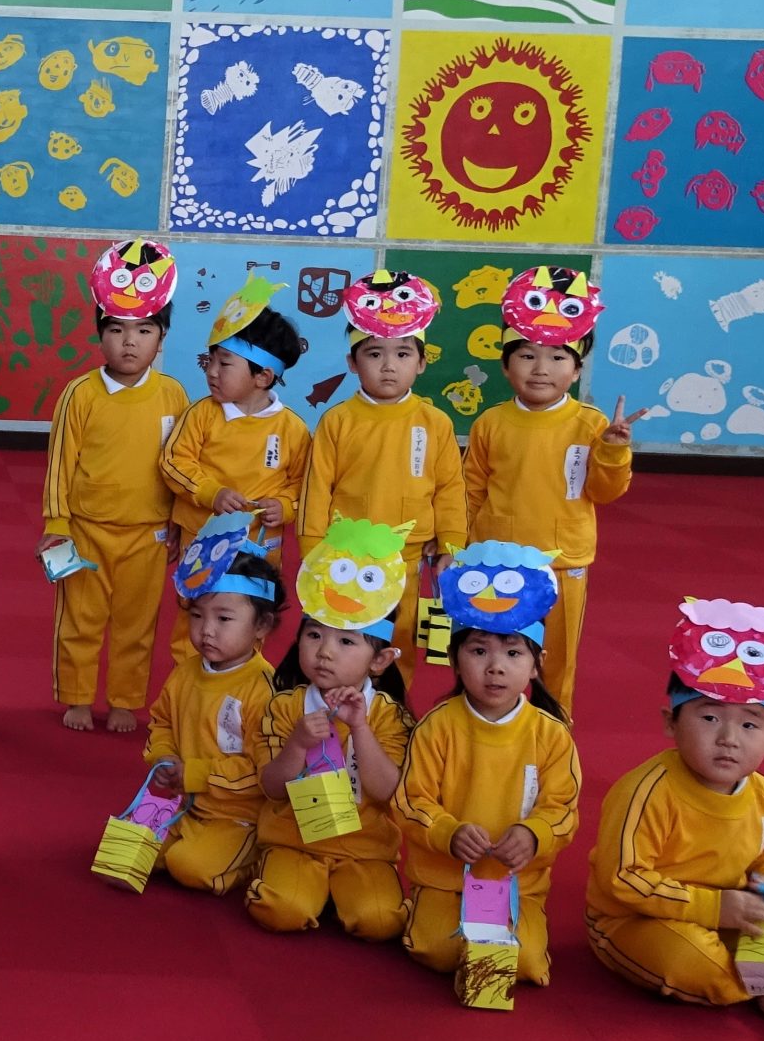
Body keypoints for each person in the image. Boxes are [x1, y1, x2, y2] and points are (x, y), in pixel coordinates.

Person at [587, 600, 764, 1041]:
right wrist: (714, 908)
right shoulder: (646, 791)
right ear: (671, 722)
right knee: (688, 962)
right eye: (709, 718)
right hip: (645, 918)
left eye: (750, 725)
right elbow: (623, 880)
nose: (728, 738)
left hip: (735, 908)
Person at [392, 542, 583, 994]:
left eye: (513, 654)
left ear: (536, 665)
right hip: (444, 879)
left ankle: (512, 934)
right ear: (455, 660)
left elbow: (564, 809)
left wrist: (535, 834)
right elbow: (410, 801)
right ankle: (423, 910)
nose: (495, 668)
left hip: (515, 883)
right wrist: (448, 832)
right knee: (435, 951)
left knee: (525, 964)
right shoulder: (437, 726)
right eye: (479, 651)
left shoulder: (552, 735)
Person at [461, 266, 633, 717]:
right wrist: (459, 550)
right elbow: (471, 491)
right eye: (527, 355)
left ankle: (554, 731)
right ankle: (483, 725)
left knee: (555, 661)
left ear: (576, 370)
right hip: (496, 559)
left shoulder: (591, 424)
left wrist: (613, 451)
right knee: (490, 652)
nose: (541, 369)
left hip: (563, 562)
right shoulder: (490, 423)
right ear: (505, 365)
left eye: (558, 357)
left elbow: (604, 492)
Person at [41, 240, 189, 732]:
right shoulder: (80, 394)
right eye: (117, 330)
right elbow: (60, 464)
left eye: (144, 330)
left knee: (136, 626)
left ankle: (125, 699)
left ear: (161, 338)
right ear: (100, 335)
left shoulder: (174, 395)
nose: (130, 342)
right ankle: (77, 697)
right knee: (80, 622)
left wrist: (178, 523)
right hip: (86, 532)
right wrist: (57, 524)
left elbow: (179, 465)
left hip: (149, 533)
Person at [242, 524, 414, 939]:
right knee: (281, 910)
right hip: (294, 840)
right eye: (315, 635)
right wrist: (298, 743)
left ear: (380, 660)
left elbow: (387, 791)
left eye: (346, 642)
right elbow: (272, 787)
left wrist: (360, 728)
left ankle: (340, 889)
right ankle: (301, 881)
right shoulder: (286, 706)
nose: (324, 651)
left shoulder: (388, 715)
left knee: (381, 922)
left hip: (365, 849)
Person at [300, 271, 465, 682]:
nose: (389, 366)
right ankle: (341, 707)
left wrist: (451, 544)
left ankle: (392, 709)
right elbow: (316, 488)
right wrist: (312, 550)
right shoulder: (338, 420)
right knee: (345, 637)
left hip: (407, 556)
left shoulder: (435, 423)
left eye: (403, 354)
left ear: (422, 362)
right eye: (374, 354)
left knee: (398, 640)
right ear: (352, 363)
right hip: (345, 557)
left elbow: (450, 487)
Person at [159, 272, 312, 663]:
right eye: (211, 360)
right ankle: (189, 689)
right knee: (195, 620)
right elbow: (173, 462)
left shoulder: (292, 429)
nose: (211, 371)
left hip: (260, 548)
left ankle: (243, 694)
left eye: (224, 363)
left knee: (249, 623)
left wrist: (286, 506)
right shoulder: (202, 414)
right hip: (201, 540)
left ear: (263, 376)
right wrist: (211, 493)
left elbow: (303, 484)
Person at [137, 519, 282, 893]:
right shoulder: (185, 672)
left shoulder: (264, 690)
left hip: (236, 815)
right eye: (197, 615)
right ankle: (182, 837)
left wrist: (196, 774)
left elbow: (262, 771)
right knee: (123, 856)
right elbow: (161, 722)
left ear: (262, 626)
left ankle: (257, 852)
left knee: (189, 868)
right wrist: (165, 759)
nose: (206, 630)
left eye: (224, 618)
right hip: (179, 798)